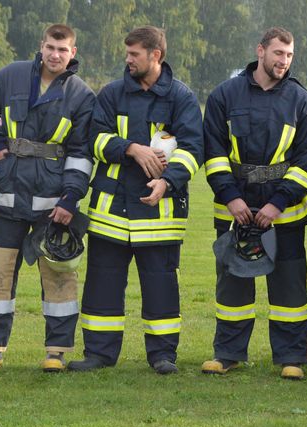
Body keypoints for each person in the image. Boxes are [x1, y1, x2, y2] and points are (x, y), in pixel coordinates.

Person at [67, 26, 203, 374]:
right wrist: (131, 148)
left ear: (156, 55)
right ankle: (99, 353)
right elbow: (95, 139)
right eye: (127, 53)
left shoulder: (181, 98)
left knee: (161, 286)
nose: (127, 59)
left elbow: (193, 150)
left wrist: (167, 182)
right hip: (111, 210)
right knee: (102, 284)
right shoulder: (112, 94)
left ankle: (162, 355)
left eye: (134, 54)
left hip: (159, 212)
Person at [0, 24, 95, 372]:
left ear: (73, 53)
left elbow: (81, 152)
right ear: (41, 46)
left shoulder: (82, 95)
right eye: (50, 47)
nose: (55, 54)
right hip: (5, 193)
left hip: (52, 202)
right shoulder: (10, 75)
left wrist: (70, 198)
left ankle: (56, 352)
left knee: (58, 276)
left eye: (63, 49)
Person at [201, 27, 307, 380]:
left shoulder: (302, 101)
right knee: (232, 282)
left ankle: (291, 357)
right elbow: (214, 153)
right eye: (278, 53)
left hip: (284, 212)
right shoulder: (225, 95)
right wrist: (231, 197)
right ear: (260, 51)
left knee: (290, 286)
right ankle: (227, 354)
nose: (284, 61)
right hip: (233, 209)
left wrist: (278, 203)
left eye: (289, 55)